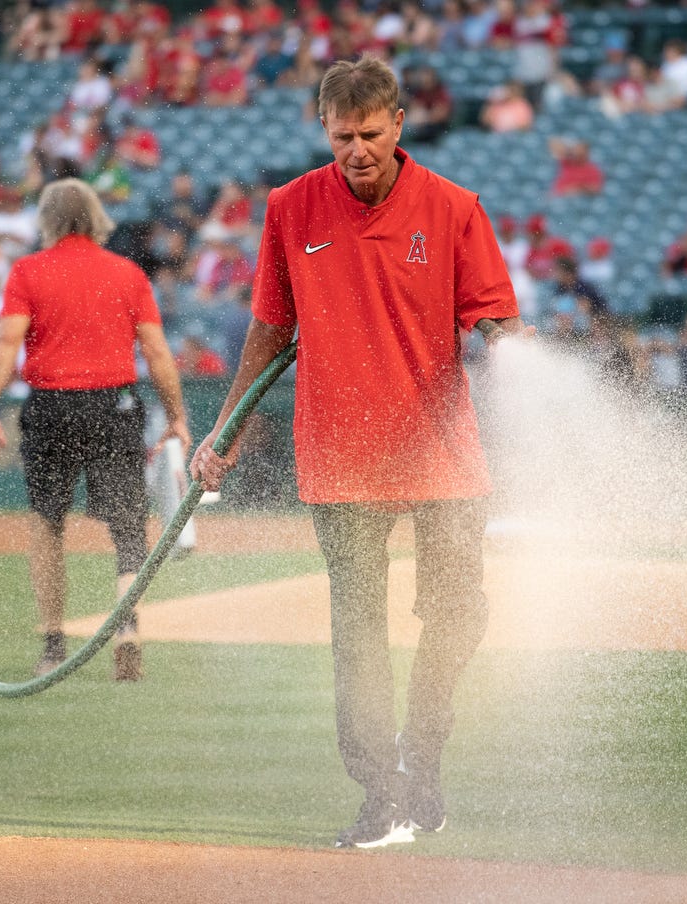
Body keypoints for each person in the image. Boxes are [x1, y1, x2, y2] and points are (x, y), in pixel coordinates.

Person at [189, 57, 524, 850]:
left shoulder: (453, 208)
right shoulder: (289, 208)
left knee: (458, 612)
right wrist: (224, 432)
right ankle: (380, 794)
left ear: (399, 124)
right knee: (358, 633)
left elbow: (495, 317)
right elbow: (269, 331)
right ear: (324, 130)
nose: (357, 151)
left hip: (441, 453)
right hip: (339, 458)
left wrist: (512, 347)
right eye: (342, 136)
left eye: (371, 134)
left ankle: (423, 754)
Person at [0, 179, 189, 680]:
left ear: (47, 221)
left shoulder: (27, 271)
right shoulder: (127, 273)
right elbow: (157, 353)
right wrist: (177, 414)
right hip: (113, 404)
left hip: (50, 406)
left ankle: (53, 645)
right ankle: (128, 628)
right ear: (97, 218)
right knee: (128, 525)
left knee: (48, 524)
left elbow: (7, 344)